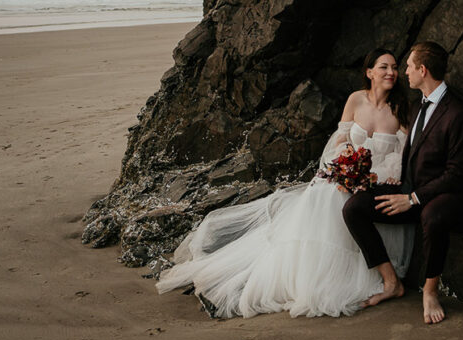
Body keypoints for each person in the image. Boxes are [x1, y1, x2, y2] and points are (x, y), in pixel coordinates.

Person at [156, 48, 413, 318]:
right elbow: (340, 141)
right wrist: (344, 167)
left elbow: (401, 154)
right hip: (346, 174)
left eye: (395, 67)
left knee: (339, 201)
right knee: (322, 195)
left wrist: (373, 176)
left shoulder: (400, 108)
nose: (391, 73)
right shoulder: (356, 100)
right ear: (369, 72)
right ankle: (301, 273)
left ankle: (346, 275)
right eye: (384, 67)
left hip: (377, 181)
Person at [342, 41, 463, 324]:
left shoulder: (458, 113)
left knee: (433, 215)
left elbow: (458, 174)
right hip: (407, 190)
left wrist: (413, 198)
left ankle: (430, 291)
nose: (404, 72)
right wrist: (373, 181)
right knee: (355, 207)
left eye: (408, 66)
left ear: (423, 70)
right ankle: (391, 282)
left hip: (442, 196)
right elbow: (404, 153)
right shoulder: (416, 107)